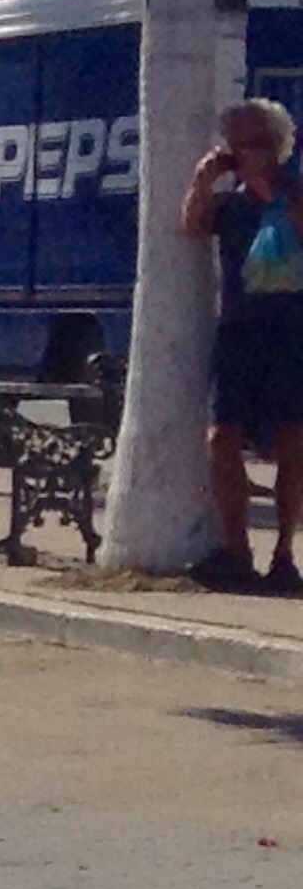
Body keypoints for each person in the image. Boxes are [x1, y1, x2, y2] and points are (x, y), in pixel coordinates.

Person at [181, 98, 303, 592]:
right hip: (238, 330)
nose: (247, 153)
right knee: (222, 435)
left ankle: (284, 555)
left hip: (290, 331)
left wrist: (273, 191)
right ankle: (237, 550)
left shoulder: (294, 192)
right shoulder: (231, 205)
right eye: (239, 145)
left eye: (257, 143)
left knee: (291, 440)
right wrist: (203, 180)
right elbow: (192, 224)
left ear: (277, 146)